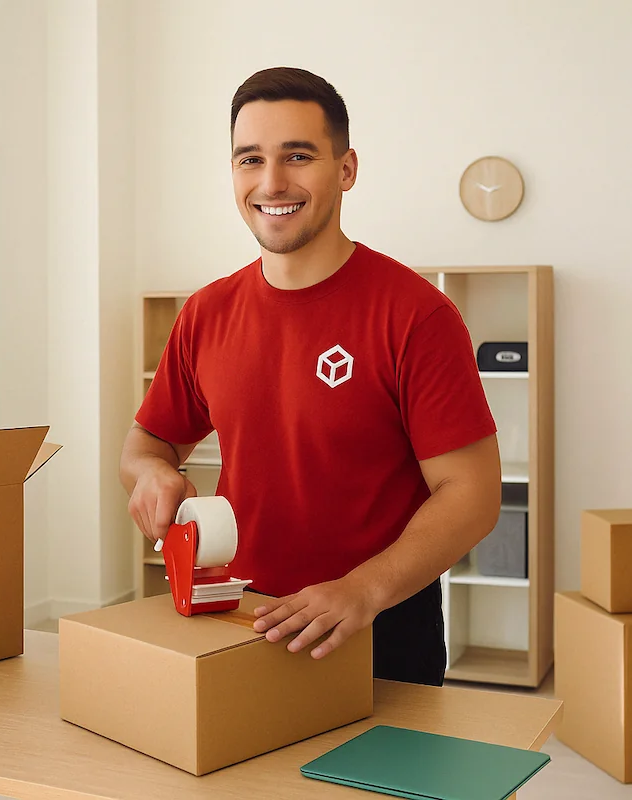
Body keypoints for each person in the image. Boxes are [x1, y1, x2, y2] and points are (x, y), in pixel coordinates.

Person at [120, 66, 501, 687]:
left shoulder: (417, 315)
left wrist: (362, 590)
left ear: (346, 169)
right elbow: (146, 445)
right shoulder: (206, 313)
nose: (272, 182)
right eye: (250, 159)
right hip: (241, 616)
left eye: (297, 156)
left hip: (379, 625)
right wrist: (151, 474)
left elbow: (473, 494)